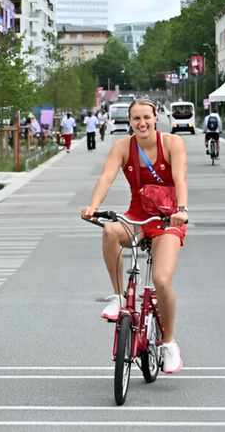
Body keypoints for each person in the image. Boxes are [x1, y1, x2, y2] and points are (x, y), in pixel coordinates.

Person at [81, 98, 188, 374]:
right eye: (136, 119)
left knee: (162, 280)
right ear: (129, 122)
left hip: (167, 219)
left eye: (146, 118)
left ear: (156, 118)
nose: (142, 123)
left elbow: (180, 178)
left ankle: (168, 342)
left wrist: (183, 210)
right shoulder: (122, 147)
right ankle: (118, 296)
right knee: (109, 230)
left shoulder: (173, 144)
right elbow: (106, 177)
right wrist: (93, 206)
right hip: (138, 217)